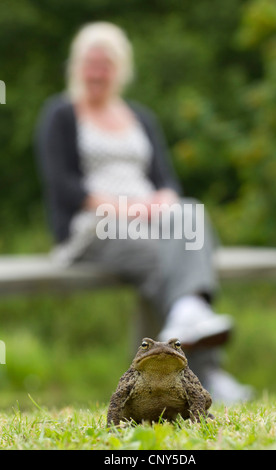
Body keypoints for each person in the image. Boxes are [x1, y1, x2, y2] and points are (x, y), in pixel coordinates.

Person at [35, 22, 253, 403]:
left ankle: (187, 316)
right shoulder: (60, 114)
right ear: (76, 66)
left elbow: (165, 179)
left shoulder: (140, 117)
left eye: (105, 64)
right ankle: (204, 375)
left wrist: (160, 203)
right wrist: (125, 209)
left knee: (191, 214)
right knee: (165, 262)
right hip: (94, 228)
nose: (97, 72)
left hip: (150, 223)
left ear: (120, 69)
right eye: (90, 63)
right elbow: (64, 186)